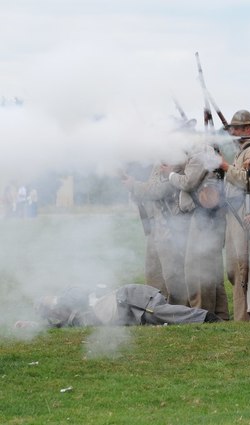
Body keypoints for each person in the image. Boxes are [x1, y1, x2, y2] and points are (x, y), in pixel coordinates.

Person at [166, 133, 229, 320]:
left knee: (197, 269)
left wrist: (169, 175)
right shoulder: (197, 151)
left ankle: (202, 314)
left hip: (203, 216)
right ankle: (220, 315)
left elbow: (188, 182)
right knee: (211, 270)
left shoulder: (200, 151)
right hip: (206, 215)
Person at [221, 110, 250, 321]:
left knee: (247, 265)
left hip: (245, 210)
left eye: (238, 129)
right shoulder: (241, 152)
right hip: (234, 212)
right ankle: (242, 316)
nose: (234, 133)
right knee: (235, 269)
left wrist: (224, 167)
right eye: (233, 129)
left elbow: (248, 182)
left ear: (249, 129)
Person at [123, 162, 191, 306]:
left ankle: (180, 309)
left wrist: (134, 185)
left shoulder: (176, 159)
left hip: (170, 226)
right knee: (153, 274)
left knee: (172, 275)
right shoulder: (156, 162)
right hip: (155, 225)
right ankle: (157, 309)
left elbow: (161, 189)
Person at [17, 284, 222, 328]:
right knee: (158, 317)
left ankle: (206, 318)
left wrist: (52, 301)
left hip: (131, 298)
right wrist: (31, 325)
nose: (52, 312)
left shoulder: (68, 295)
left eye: (49, 307)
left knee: (161, 313)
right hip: (129, 311)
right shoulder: (68, 320)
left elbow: (75, 296)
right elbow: (57, 328)